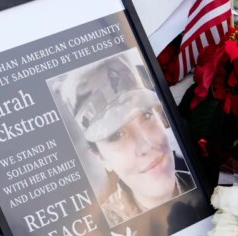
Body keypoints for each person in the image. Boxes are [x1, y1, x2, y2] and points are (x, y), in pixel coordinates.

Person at [59, 53, 193, 226]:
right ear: (100, 157)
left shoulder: (210, 184)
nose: (145, 145)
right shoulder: (101, 235)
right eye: (116, 135)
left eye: (146, 116)